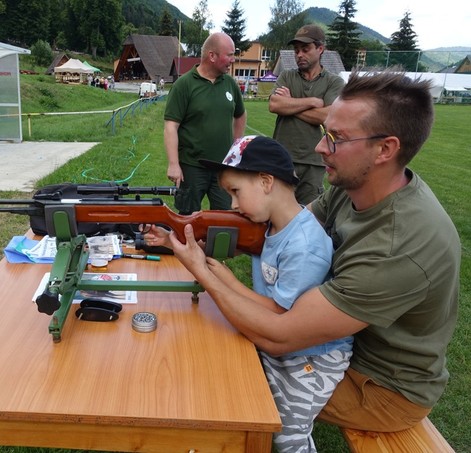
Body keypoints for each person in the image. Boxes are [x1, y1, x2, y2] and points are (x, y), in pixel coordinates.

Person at [150, 69, 461, 434]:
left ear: (385, 149)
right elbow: (277, 230)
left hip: (379, 386)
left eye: (336, 138)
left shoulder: (400, 244)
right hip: (335, 344)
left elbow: (279, 335)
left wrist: (202, 269)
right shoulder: (353, 186)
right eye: (324, 133)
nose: (319, 147)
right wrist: (207, 234)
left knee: (224, 373)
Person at [145, 135, 353, 452]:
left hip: (313, 357)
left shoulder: (304, 246)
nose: (232, 205)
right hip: (279, 344)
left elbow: (280, 314)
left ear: (266, 181)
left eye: (235, 192)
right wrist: (170, 239)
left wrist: (223, 279)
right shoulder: (270, 226)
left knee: (287, 431)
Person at [164, 32, 246, 214]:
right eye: (230, 55)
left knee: (225, 217)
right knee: (186, 218)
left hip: (223, 168)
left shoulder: (230, 84)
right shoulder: (184, 85)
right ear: (212, 56)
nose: (233, 59)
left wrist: (236, 146)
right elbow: (171, 126)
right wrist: (173, 163)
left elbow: (240, 115)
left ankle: (213, 244)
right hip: (192, 167)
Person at [269, 24, 345, 205]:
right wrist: (312, 102)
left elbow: (327, 117)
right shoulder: (287, 76)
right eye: (296, 50)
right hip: (282, 160)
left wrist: (291, 105)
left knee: (309, 218)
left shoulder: (333, 82)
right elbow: (274, 105)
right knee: (276, 214)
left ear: (320, 49)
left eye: (305, 49)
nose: (299, 55)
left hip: (314, 162)